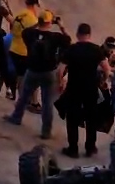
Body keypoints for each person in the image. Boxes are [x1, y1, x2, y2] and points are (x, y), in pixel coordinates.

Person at [4, 10, 70, 140]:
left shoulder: (31, 34)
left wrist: (36, 25)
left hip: (32, 70)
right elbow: (68, 40)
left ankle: (16, 117)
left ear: (39, 21)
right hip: (48, 72)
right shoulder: (55, 37)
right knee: (47, 103)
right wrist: (60, 25)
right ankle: (46, 131)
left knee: (24, 96)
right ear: (49, 22)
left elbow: (25, 31)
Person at [57, 23, 111, 158]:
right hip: (91, 88)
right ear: (89, 35)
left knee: (72, 119)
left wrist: (61, 82)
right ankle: (90, 148)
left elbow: (60, 70)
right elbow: (107, 69)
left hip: (74, 88)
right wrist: (103, 81)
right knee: (91, 118)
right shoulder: (96, 50)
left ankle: (73, 149)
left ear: (77, 34)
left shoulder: (71, 49)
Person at [9, 0, 40, 105]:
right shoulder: (32, 18)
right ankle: (24, 101)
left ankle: (22, 98)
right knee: (25, 76)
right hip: (24, 50)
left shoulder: (19, 14)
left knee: (20, 76)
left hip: (13, 47)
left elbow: (11, 26)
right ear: (35, 5)